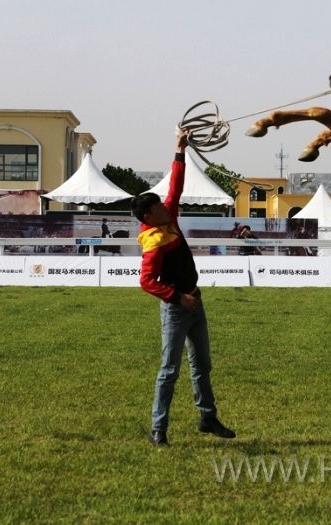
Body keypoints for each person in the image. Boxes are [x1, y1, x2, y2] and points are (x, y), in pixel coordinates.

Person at [130, 129, 235, 447]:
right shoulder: (154, 242)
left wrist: (179, 149)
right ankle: (158, 429)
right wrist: (178, 297)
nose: (167, 204)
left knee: (202, 365)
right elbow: (146, 282)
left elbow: (176, 185)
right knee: (169, 370)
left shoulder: (167, 219)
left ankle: (207, 417)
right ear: (149, 215)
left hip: (195, 303)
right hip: (177, 309)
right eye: (159, 205)